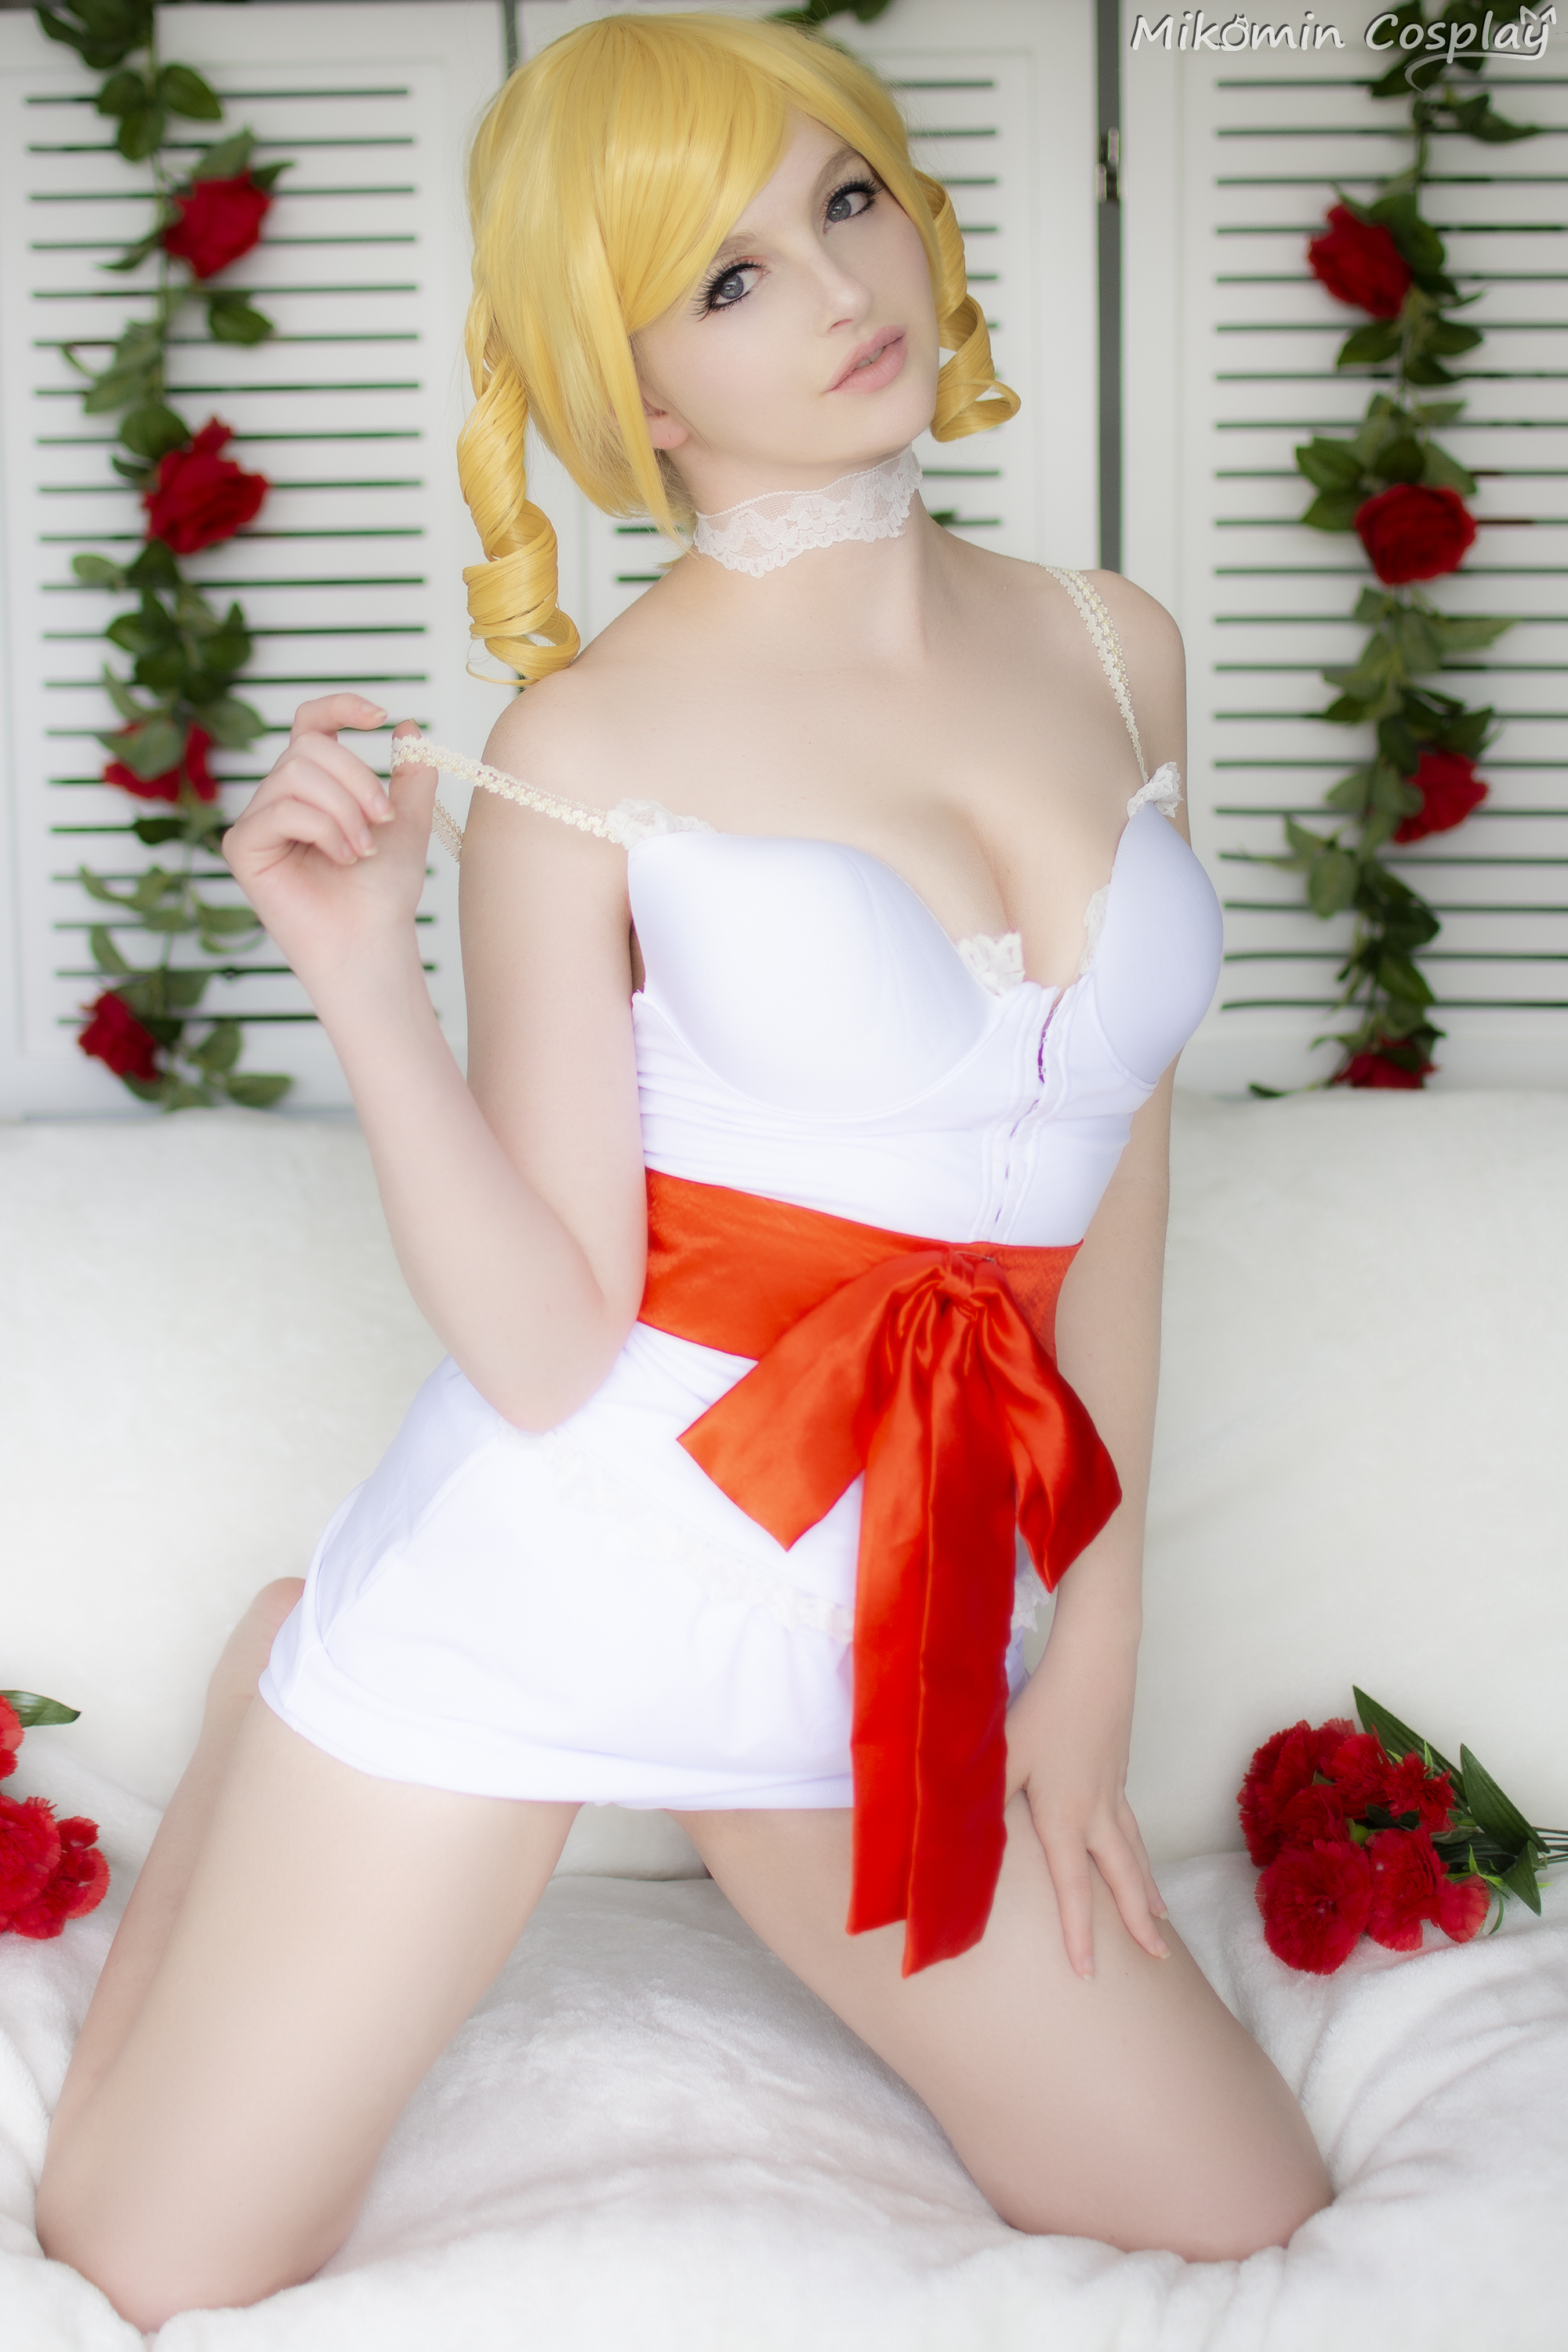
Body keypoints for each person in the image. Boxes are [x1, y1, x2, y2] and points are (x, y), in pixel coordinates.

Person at [35, 13, 1333, 2326]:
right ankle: (285, 1681)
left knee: (1245, 2214)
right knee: (158, 2260)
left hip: (922, 1616)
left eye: (845, 204)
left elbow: (1111, 1169)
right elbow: (552, 1349)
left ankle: (750, 1803)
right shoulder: (581, 748)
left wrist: (1096, 1647)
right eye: (725, 278)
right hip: (583, 1558)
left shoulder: (1115, 648)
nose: (838, 294)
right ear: (625, 377)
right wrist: (360, 977)